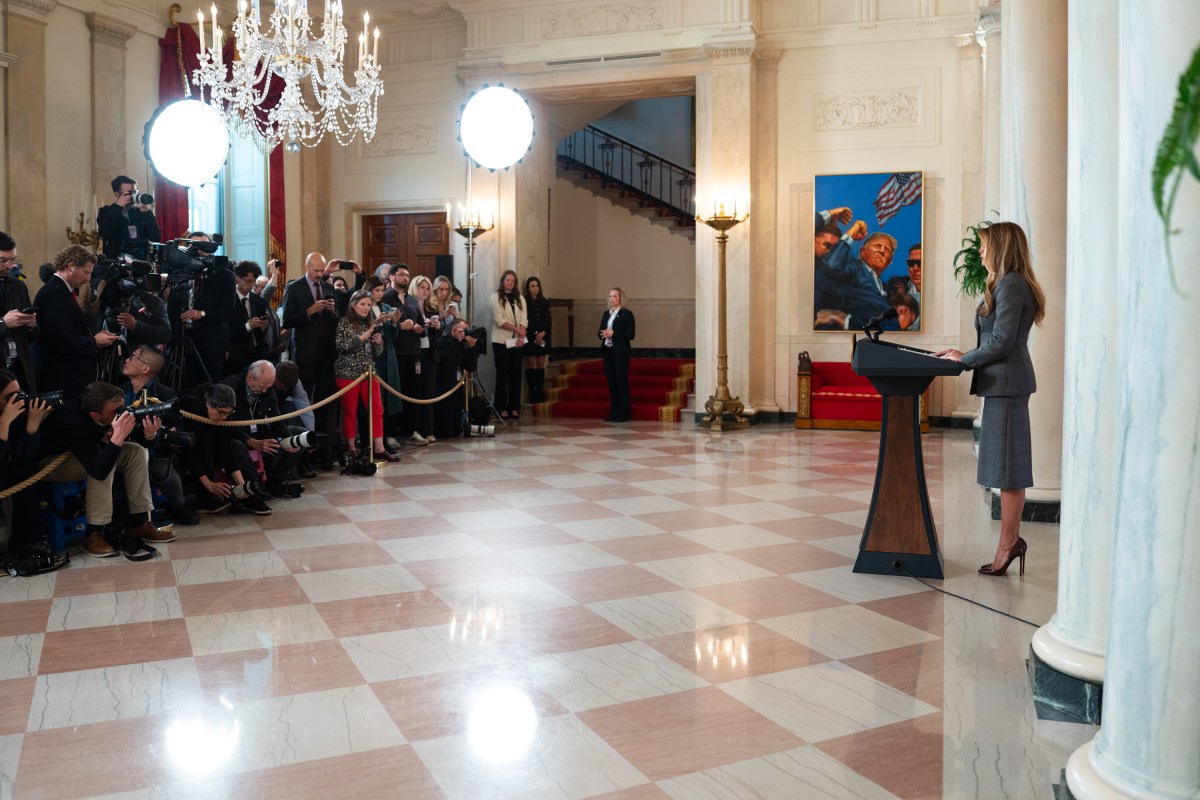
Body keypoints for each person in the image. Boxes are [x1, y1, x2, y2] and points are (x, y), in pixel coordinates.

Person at [936, 221, 1046, 577]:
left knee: (1009, 471)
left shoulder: (1012, 284)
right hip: (1002, 384)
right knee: (1004, 469)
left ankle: (1008, 544)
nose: (980, 252)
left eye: (984, 245)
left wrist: (965, 360)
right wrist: (962, 352)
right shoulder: (1007, 283)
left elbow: (1002, 342)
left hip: (1008, 385)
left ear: (1001, 246)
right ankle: (1009, 541)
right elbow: (996, 339)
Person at [39, 381, 175, 557]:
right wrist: (117, 437)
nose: (122, 414)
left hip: (84, 454)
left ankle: (139, 523)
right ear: (96, 415)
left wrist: (150, 435)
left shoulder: (112, 411)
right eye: (116, 412)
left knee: (136, 452)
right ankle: (93, 533)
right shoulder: (72, 420)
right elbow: (98, 469)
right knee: (103, 462)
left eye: (123, 407)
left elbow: (144, 441)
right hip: (51, 462)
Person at [35, 245, 119, 399]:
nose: (88, 279)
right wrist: (94, 342)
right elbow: (60, 341)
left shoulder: (62, 290)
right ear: (71, 266)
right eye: (86, 272)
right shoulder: (54, 294)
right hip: (60, 379)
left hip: (68, 378)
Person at [177, 382, 272, 515]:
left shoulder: (225, 415)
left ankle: (247, 494)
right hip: (187, 444)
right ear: (209, 404)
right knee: (205, 442)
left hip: (210, 439)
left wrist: (243, 487)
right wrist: (209, 484)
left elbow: (226, 448)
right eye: (221, 413)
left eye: (227, 414)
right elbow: (188, 451)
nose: (223, 418)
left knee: (235, 446)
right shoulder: (191, 406)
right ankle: (204, 497)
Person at [334, 290, 398, 461]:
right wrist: (364, 336)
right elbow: (342, 346)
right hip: (348, 373)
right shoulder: (345, 322)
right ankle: (351, 448)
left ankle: (379, 447)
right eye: (362, 304)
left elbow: (376, 351)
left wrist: (379, 342)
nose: (365, 308)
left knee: (377, 410)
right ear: (353, 305)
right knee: (350, 412)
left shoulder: (371, 322)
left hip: (369, 373)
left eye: (368, 305)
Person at [382, 264, 428, 445]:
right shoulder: (386, 299)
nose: (405, 278)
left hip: (414, 353)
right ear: (392, 277)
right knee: (394, 394)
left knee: (413, 393)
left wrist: (419, 329)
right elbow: (383, 328)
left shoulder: (412, 300)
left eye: (407, 275)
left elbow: (420, 325)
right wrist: (400, 326)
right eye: (401, 275)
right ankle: (390, 433)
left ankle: (412, 430)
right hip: (396, 354)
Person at [817, 229, 897, 330]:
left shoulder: (886, 289)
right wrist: (850, 235)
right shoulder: (856, 267)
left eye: (887, 250)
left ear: (888, 262)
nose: (882, 251)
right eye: (877, 246)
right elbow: (832, 266)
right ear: (863, 252)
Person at [0, 231, 39, 392]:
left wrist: (31, 325)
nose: (9, 266)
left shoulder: (19, 286)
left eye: (12, 260)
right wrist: (3, 323)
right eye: (3, 260)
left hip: (19, 369)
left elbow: (30, 337)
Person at [96, 175, 161, 260]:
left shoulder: (141, 211)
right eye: (130, 193)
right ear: (117, 194)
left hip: (142, 264)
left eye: (135, 192)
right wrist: (118, 207)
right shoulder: (107, 211)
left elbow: (156, 237)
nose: (133, 196)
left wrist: (147, 214)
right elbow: (105, 233)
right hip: (116, 263)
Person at [490, 269, 526, 419]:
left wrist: (521, 335)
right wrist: (517, 329)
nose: (510, 283)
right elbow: (499, 321)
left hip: (517, 340)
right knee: (502, 374)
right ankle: (501, 407)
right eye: (508, 280)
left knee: (516, 374)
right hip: (501, 341)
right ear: (503, 281)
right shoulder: (495, 297)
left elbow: (524, 317)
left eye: (513, 281)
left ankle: (514, 407)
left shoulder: (520, 298)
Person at [434, 321, 480, 439]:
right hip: (443, 386)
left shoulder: (463, 344)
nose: (465, 334)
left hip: (458, 385)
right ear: (454, 330)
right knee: (446, 432)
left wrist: (472, 348)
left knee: (455, 430)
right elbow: (445, 361)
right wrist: (457, 343)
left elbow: (471, 368)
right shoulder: (442, 341)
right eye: (462, 331)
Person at [411, 275, 441, 441]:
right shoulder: (409, 306)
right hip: (415, 353)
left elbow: (439, 333)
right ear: (415, 288)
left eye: (427, 288)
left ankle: (429, 429)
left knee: (429, 391)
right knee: (416, 391)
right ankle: (415, 429)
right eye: (422, 287)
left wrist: (436, 325)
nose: (425, 291)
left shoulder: (431, 309)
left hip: (430, 353)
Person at [598, 287, 635, 422]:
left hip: (621, 353)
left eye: (614, 296)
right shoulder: (606, 314)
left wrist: (614, 334)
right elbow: (600, 332)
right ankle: (613, 412)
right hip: (608, 351)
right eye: (610, 296)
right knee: (612, 383)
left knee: (621, 382)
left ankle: (624, 413)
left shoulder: (626, 314)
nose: (611, 299)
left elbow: (631, 334)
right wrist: (604, 334)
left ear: (621, 298)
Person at [228, 260, 272, 372]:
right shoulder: (227, 300)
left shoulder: (259, 301)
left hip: (256, 352)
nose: (252, 286)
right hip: (235, 354)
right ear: (237, 278)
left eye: (254, 282)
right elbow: (226, 332)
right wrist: (248, 326)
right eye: (248, 281)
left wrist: (263, 326)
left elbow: (262, 334)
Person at [523, 276, 551, 404]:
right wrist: (535, 334)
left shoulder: (544, 301)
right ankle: (532, 391)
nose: (535, 288)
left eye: (537, 285)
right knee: (531, 362)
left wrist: (543, 332)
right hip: (530, 336)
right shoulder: (525, 301)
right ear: (528, 288)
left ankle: (540, 390)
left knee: (540, 363)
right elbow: (526, 319)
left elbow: (547, 319)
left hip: (543, 335)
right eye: (532, 286)